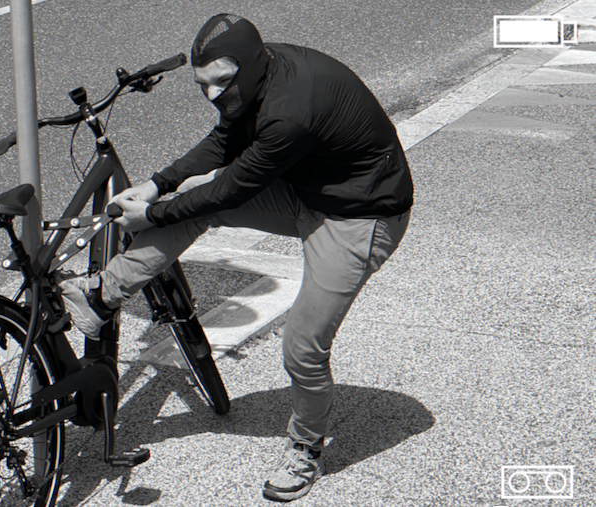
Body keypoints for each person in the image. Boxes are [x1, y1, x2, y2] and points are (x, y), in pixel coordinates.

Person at [60, 13, 413, 502]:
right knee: (187, 200)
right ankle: (102, 296)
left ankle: (305, 448)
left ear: (248, 67)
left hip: (360, 218)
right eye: (204, 85)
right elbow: (225, 140)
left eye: (222, 83)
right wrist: (158, 184)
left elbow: (234, 185)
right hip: (305, 192)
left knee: (303, 347)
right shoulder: (260, 71)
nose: (213, 95)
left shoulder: (292, 111)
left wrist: (154, 215)